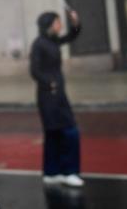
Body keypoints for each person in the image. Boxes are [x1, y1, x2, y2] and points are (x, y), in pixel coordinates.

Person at [30, 10, 83, 187]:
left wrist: (75, 23)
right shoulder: (39, 44)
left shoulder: (52, 41)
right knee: (69, 132)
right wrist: (50, 82)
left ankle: (52, 173)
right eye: (58, 22)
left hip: (58, 94)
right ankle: (69, 172)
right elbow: (35, 70)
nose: (60, 25)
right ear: (49, 25)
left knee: (54, 134)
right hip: (49, 96)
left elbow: (71, 37)